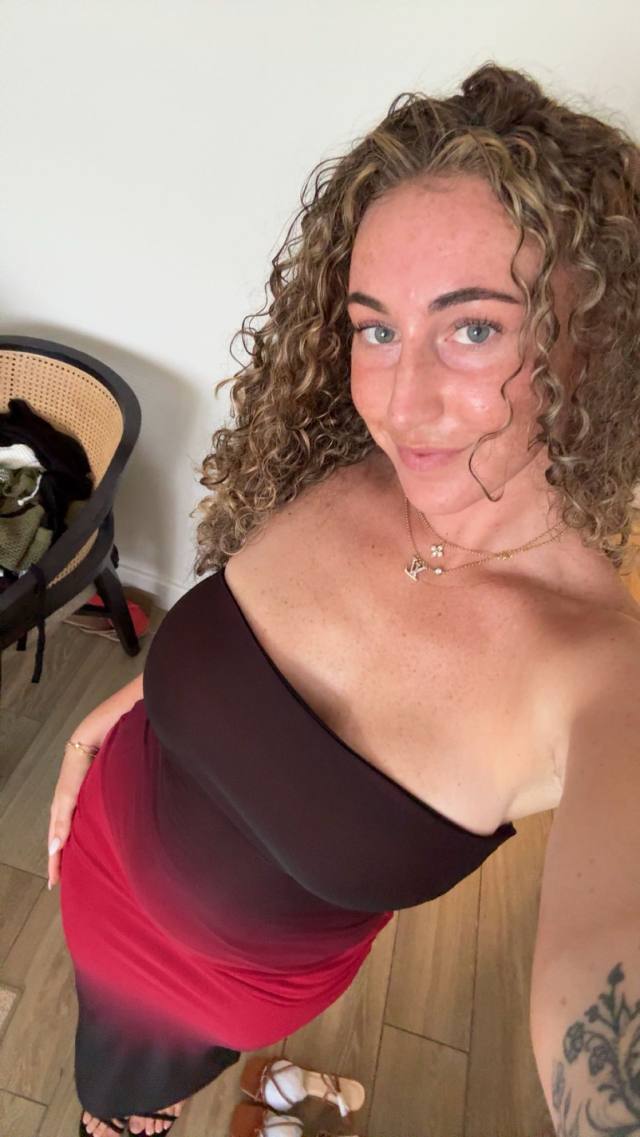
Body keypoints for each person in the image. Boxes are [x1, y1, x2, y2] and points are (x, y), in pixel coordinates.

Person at [48, 60, 640, 1137]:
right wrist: (138, 704)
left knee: (129, 1091)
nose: (400, 403)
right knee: (102, 1046)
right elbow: (247, 653)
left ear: (595, 334)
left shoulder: (602, 679)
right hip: (94, 861)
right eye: (376, 328)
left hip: (225, 988)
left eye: (473, 327)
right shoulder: (330, 461)